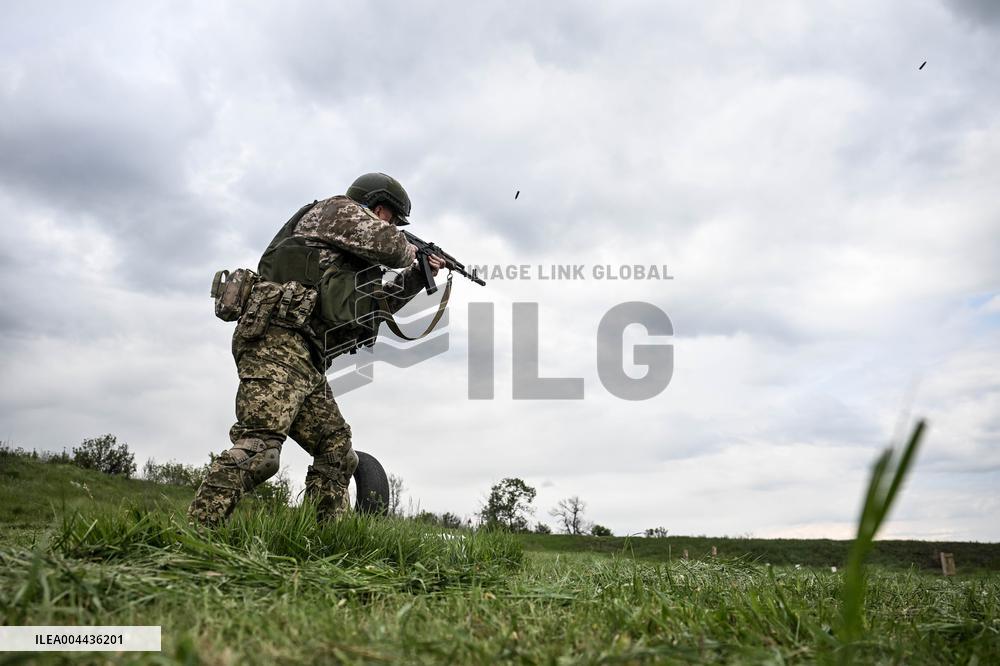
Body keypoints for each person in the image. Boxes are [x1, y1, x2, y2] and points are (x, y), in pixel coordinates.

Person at [188, 173, 444, 526]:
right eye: (393, 219)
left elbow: (376, 309)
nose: (393, 226)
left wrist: (417, 276)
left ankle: (320, 540)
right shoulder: (335, 210)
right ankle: (195, 532)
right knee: (260, 450)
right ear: (377, 206)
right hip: (277, 340)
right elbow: (392, 247)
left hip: (307, 356)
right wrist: (413, 250)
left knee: (337, 452)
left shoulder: (350, 256)